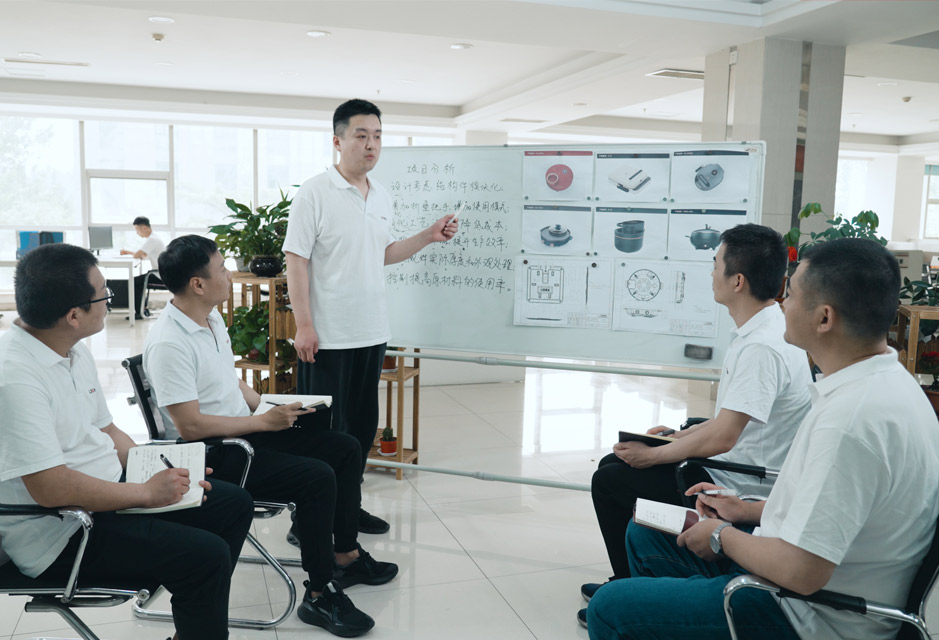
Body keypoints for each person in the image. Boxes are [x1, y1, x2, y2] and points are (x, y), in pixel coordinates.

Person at [587, 238, 939, 640]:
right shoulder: (886, 384)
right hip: (797, 575)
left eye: (792, 295)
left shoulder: (851, 422)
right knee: (646, 532)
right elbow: (835, 509)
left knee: (609, 609)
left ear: (824, 318)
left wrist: (721, 535)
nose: (782, 304)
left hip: (807, 614)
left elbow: (802, 571)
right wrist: (744, 510)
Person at [143, 235, 398, 638]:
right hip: (215, 453)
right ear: (197, 284)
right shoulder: (168, 343)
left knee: (345, 448)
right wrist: (262, 423)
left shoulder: (209, 318)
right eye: (222, 268)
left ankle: (345, 554)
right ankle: (319, 592)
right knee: (316, 477)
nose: (230, 274)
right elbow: (190, 427)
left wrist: (269, 406)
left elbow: (229, 382)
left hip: (244, 431)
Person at [0, 243, 254, 640]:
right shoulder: (16, 377)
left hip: (107, 493)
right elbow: (51, 488)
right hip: (63, 531)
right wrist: (146, 493)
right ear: (73, 316)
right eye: (104, 294)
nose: (109, 300)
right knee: (206, 556)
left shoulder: (69, 348)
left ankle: (195, 616)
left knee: (232, 504)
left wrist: (163, 467)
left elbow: (107, 430)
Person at [581, 224, 813, 619]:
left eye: (716, 264)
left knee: (611, 480)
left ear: (737, 281)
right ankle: (628, 581)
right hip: (731, 463)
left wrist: (656, 456)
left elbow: (724, 437)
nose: (711, 272)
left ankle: (631, 591)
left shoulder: (762, 348)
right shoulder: (763, 328)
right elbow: (729, 419)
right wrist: (677, 436)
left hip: (740, 483)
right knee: (614, 463)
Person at [284, 99, 459, 535]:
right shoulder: (315, 192)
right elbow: (296, 260)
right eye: (361, 135)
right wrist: (304, 325)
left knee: (361, 431)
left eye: (378, 136)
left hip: (371, 331)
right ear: (337, 141)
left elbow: (383, 253)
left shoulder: (381, 194)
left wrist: (428, 236)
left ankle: (349, 508)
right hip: (327, 336)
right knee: (323, 433)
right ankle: (307, 519)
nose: (371, 145)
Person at [112, 215, 166, 319]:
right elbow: (143, 255)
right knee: (138, 281)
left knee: (134, 281)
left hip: (159, 274)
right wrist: (128, 252)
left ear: (144, 228)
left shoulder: (153, 239)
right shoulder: (154, 237)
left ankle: (139, 312)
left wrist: (128, 252)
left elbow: (138, 255)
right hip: (160, 272)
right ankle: (142, 309)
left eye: (137, 230)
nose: (137, 233)